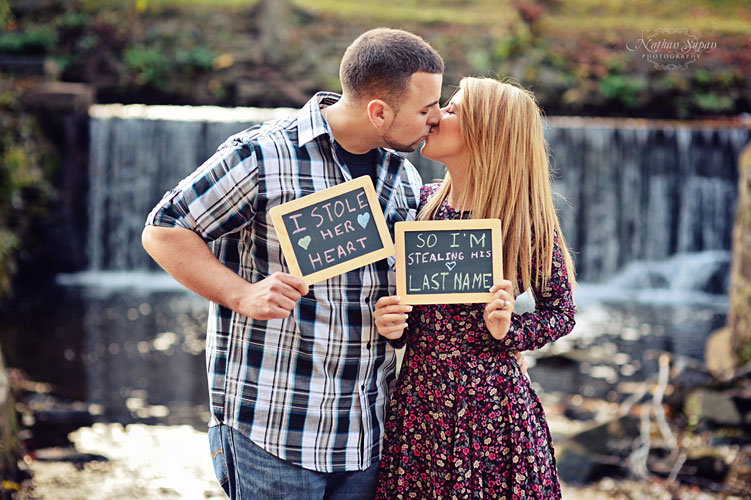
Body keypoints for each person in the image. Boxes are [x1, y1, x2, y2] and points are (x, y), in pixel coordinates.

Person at [141, 28, 444, 500]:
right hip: (274, 431)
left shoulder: (402, 175)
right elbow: (163, 230)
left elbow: (385, 289)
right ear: (379, 111)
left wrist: (397, 318)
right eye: (426, 109)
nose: (437, 118)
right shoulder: (263, 154)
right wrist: (241, 293)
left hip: (365, 434)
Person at [373, 77, 577, 499]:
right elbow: (420, 310)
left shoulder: (525, 221)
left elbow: (561, 312)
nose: (435, 116)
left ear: (486, 133)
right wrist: (395, 325)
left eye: (451, 110)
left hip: (492, 412)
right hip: (419, 404)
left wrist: (510, 330)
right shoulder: (423, 207)